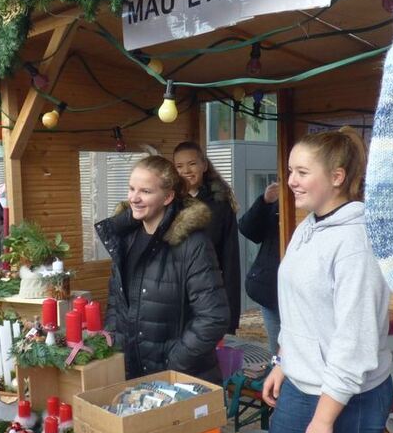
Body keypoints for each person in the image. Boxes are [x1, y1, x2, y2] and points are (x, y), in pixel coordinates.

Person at [262, 129, 393, 433]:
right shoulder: (308, 226)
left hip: (347, 399)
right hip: (300, 385)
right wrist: (283, 361)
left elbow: (355, 341)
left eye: (302, 172)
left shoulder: (357, 242)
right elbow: (299, 309)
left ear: (337, 177)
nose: (291, 181)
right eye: (290, 171)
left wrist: (323, 420)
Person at [96, 155, 230, 382]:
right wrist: (115, 347)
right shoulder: (125, 239)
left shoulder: (193, 244)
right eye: (131, 189)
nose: (134, 198)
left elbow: (214, 317)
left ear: (168, 197)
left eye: (145, 191)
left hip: (180, 379)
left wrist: (173, 362)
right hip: (132, 376)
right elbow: (116, 304)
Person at [173, 142, 241, 333]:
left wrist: (230, 317)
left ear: (204, 165)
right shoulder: (169, 202)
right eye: (179, 166)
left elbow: (230, 260)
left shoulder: (220, 203)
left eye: (192, 164)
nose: (186, 171)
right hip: (174, 295)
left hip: (209, 293)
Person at [238, 180, 281, 354]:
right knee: (277, 353)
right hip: (271, 288)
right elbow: (249, 230)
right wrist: (264, 201)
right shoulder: (278, 200)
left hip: (303, 296)